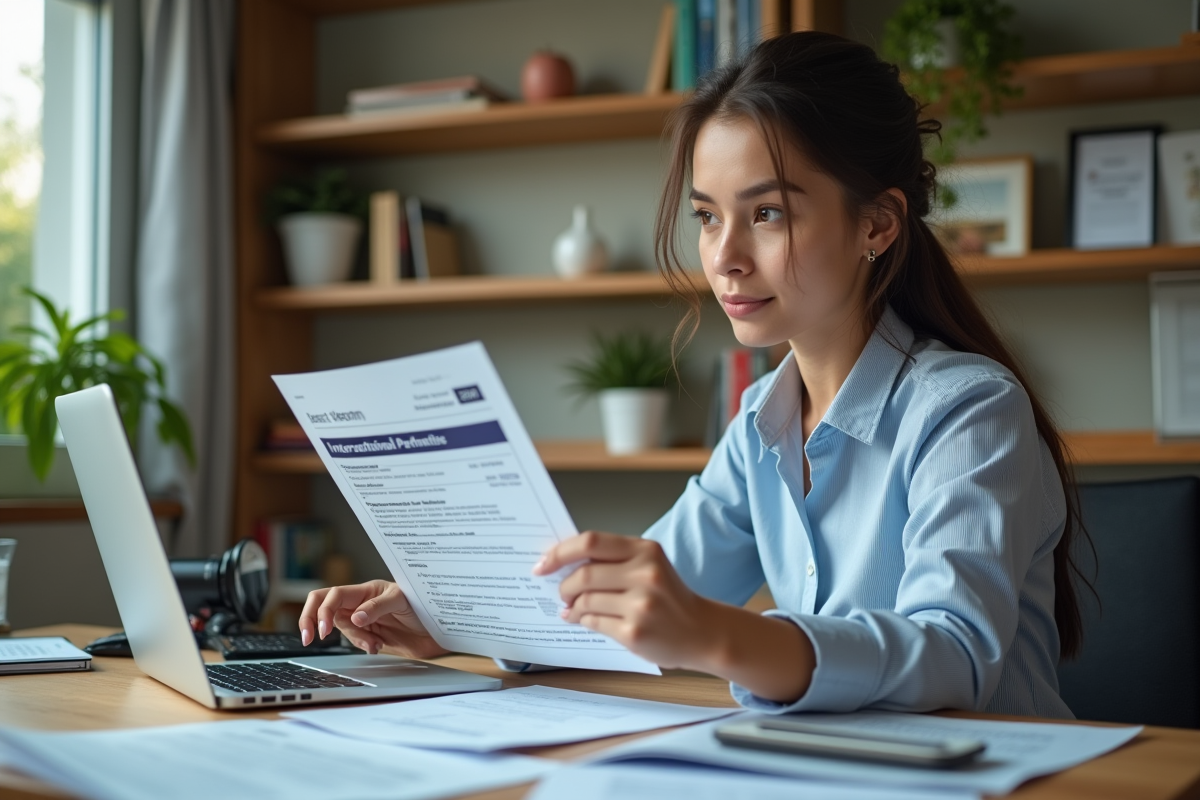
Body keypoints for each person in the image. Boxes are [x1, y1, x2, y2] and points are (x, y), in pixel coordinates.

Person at [298, 31, 1088, 718]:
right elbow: (639, 602)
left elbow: (953, 658)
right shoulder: (761, 423)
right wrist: (455, 618)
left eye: (768, 213)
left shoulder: (970, 410)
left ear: (876, 224)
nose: (724, 256)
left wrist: (717, 633)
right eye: (708, 216)